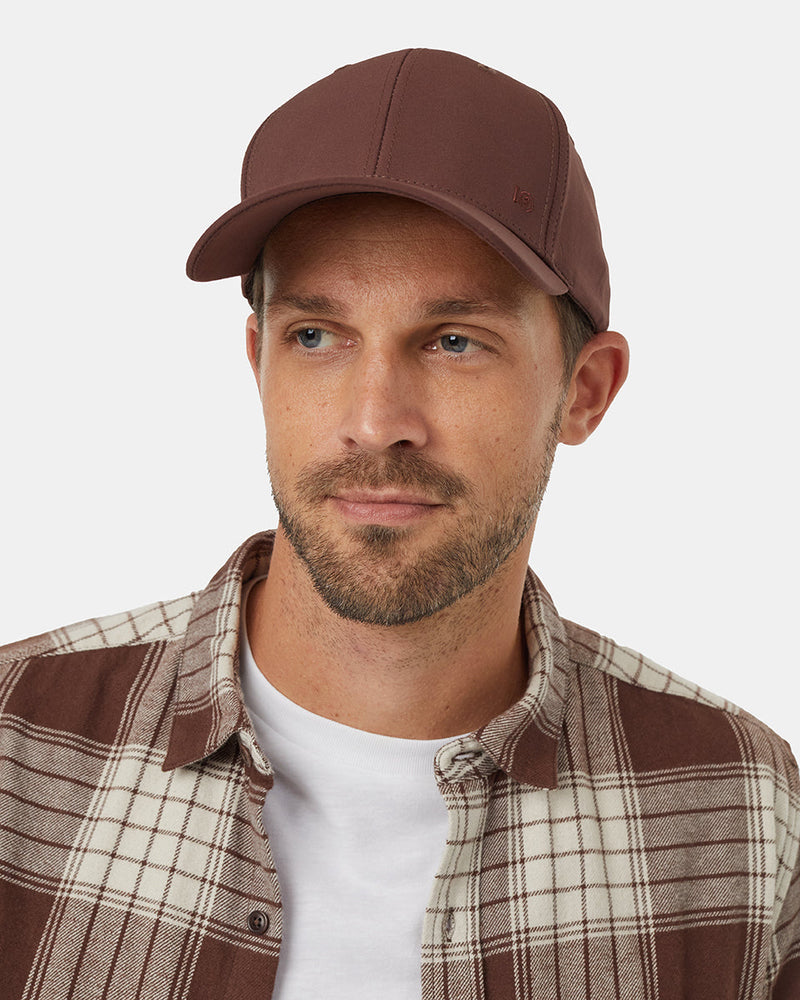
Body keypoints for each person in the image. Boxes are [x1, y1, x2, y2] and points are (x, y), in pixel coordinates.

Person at [0, 48, 797, 1000]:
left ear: (585, 391)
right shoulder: (15, 744)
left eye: (455, 341)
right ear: (258, 360)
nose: (376, 422)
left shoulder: (741, 809)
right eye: (316, 336)